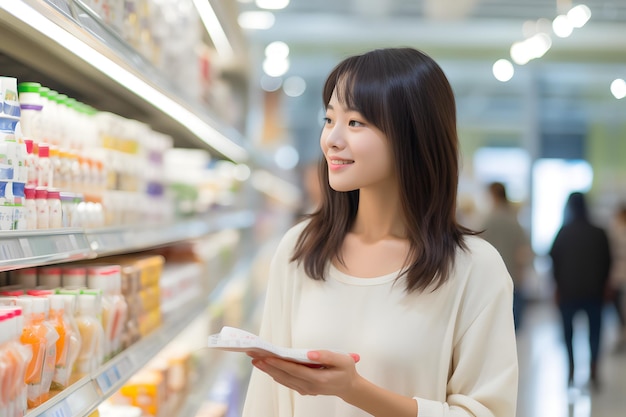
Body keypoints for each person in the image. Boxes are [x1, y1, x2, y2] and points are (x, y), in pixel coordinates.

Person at [242, 47, 518, 417]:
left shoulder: (475, 269)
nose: (332, 140)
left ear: (413, 135)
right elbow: (265, 402)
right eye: (329, 119)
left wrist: (354, 390)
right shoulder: (301, 247)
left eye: (355, 123)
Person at [549, 192, 612, 388]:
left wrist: (557, 286)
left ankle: (571, 369)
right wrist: (604, 285)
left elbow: (554, 260)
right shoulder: (599, 232)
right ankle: (593, 369)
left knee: (569, 333)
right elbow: (607, 261)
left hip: (568, 292)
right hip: (594, 292)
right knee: (595, 332)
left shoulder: (563, 232)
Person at [480, 182, 533, 331]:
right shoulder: (515, 221)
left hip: (490, 279)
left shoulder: (486, 221)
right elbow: (524, 252)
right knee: (512, 327)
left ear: (493, 195)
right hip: (513, 278)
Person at [608, 204, 626, 350]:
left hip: (619, 274)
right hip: (618, 275)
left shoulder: (616, 229)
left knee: (620, 310)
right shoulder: (615, 229)